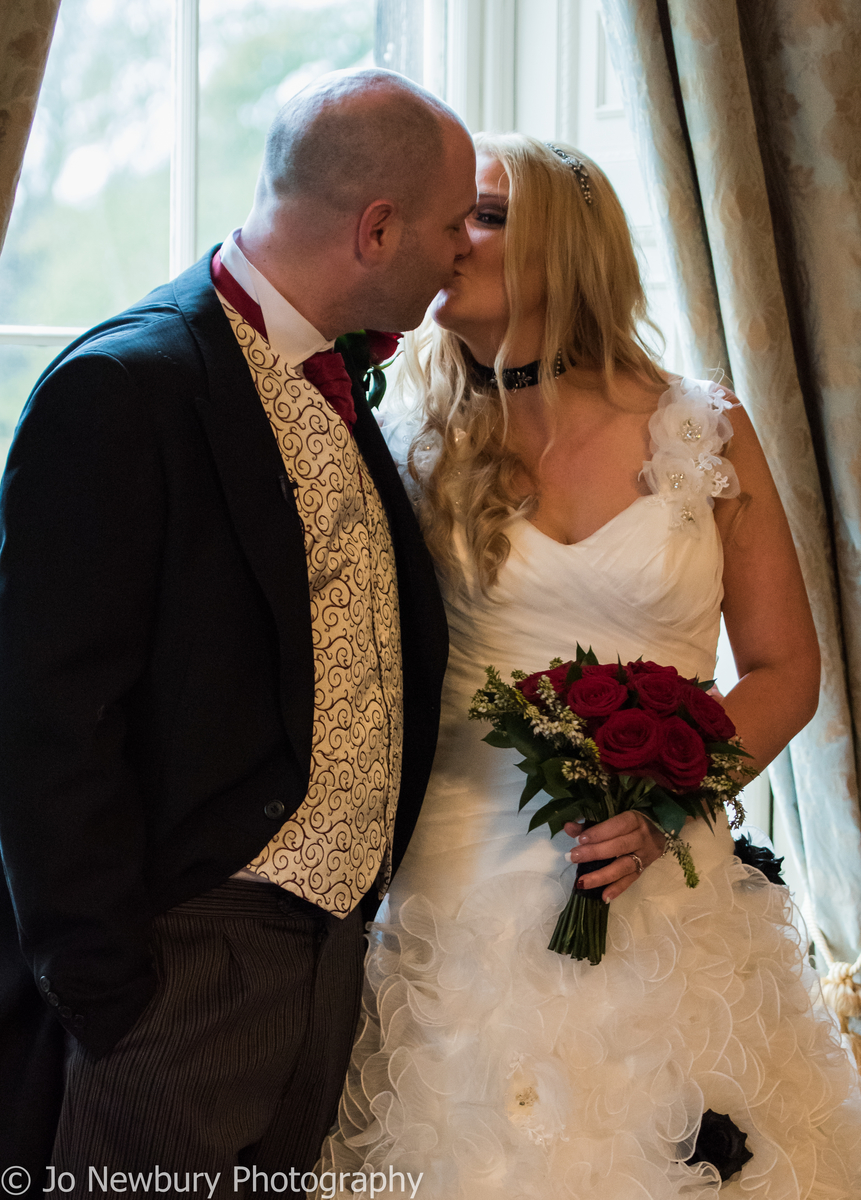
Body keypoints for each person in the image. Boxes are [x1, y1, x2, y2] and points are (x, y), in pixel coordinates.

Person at [316, 134, 861, 1198]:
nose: (446, 237)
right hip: (457, 876)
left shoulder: (703, 431)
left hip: (668, 874)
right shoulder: (416, 433)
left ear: (565, 247)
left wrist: (667, 802)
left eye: (480, 214)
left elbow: (785, 668)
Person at [0, 69, 477, 1197]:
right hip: (175, 975)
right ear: (376, 227)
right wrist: (112, 994)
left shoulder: (337, 379)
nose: (465, 250)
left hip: (326, 964)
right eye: (456, 225)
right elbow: (43, 720)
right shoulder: (125, 388)